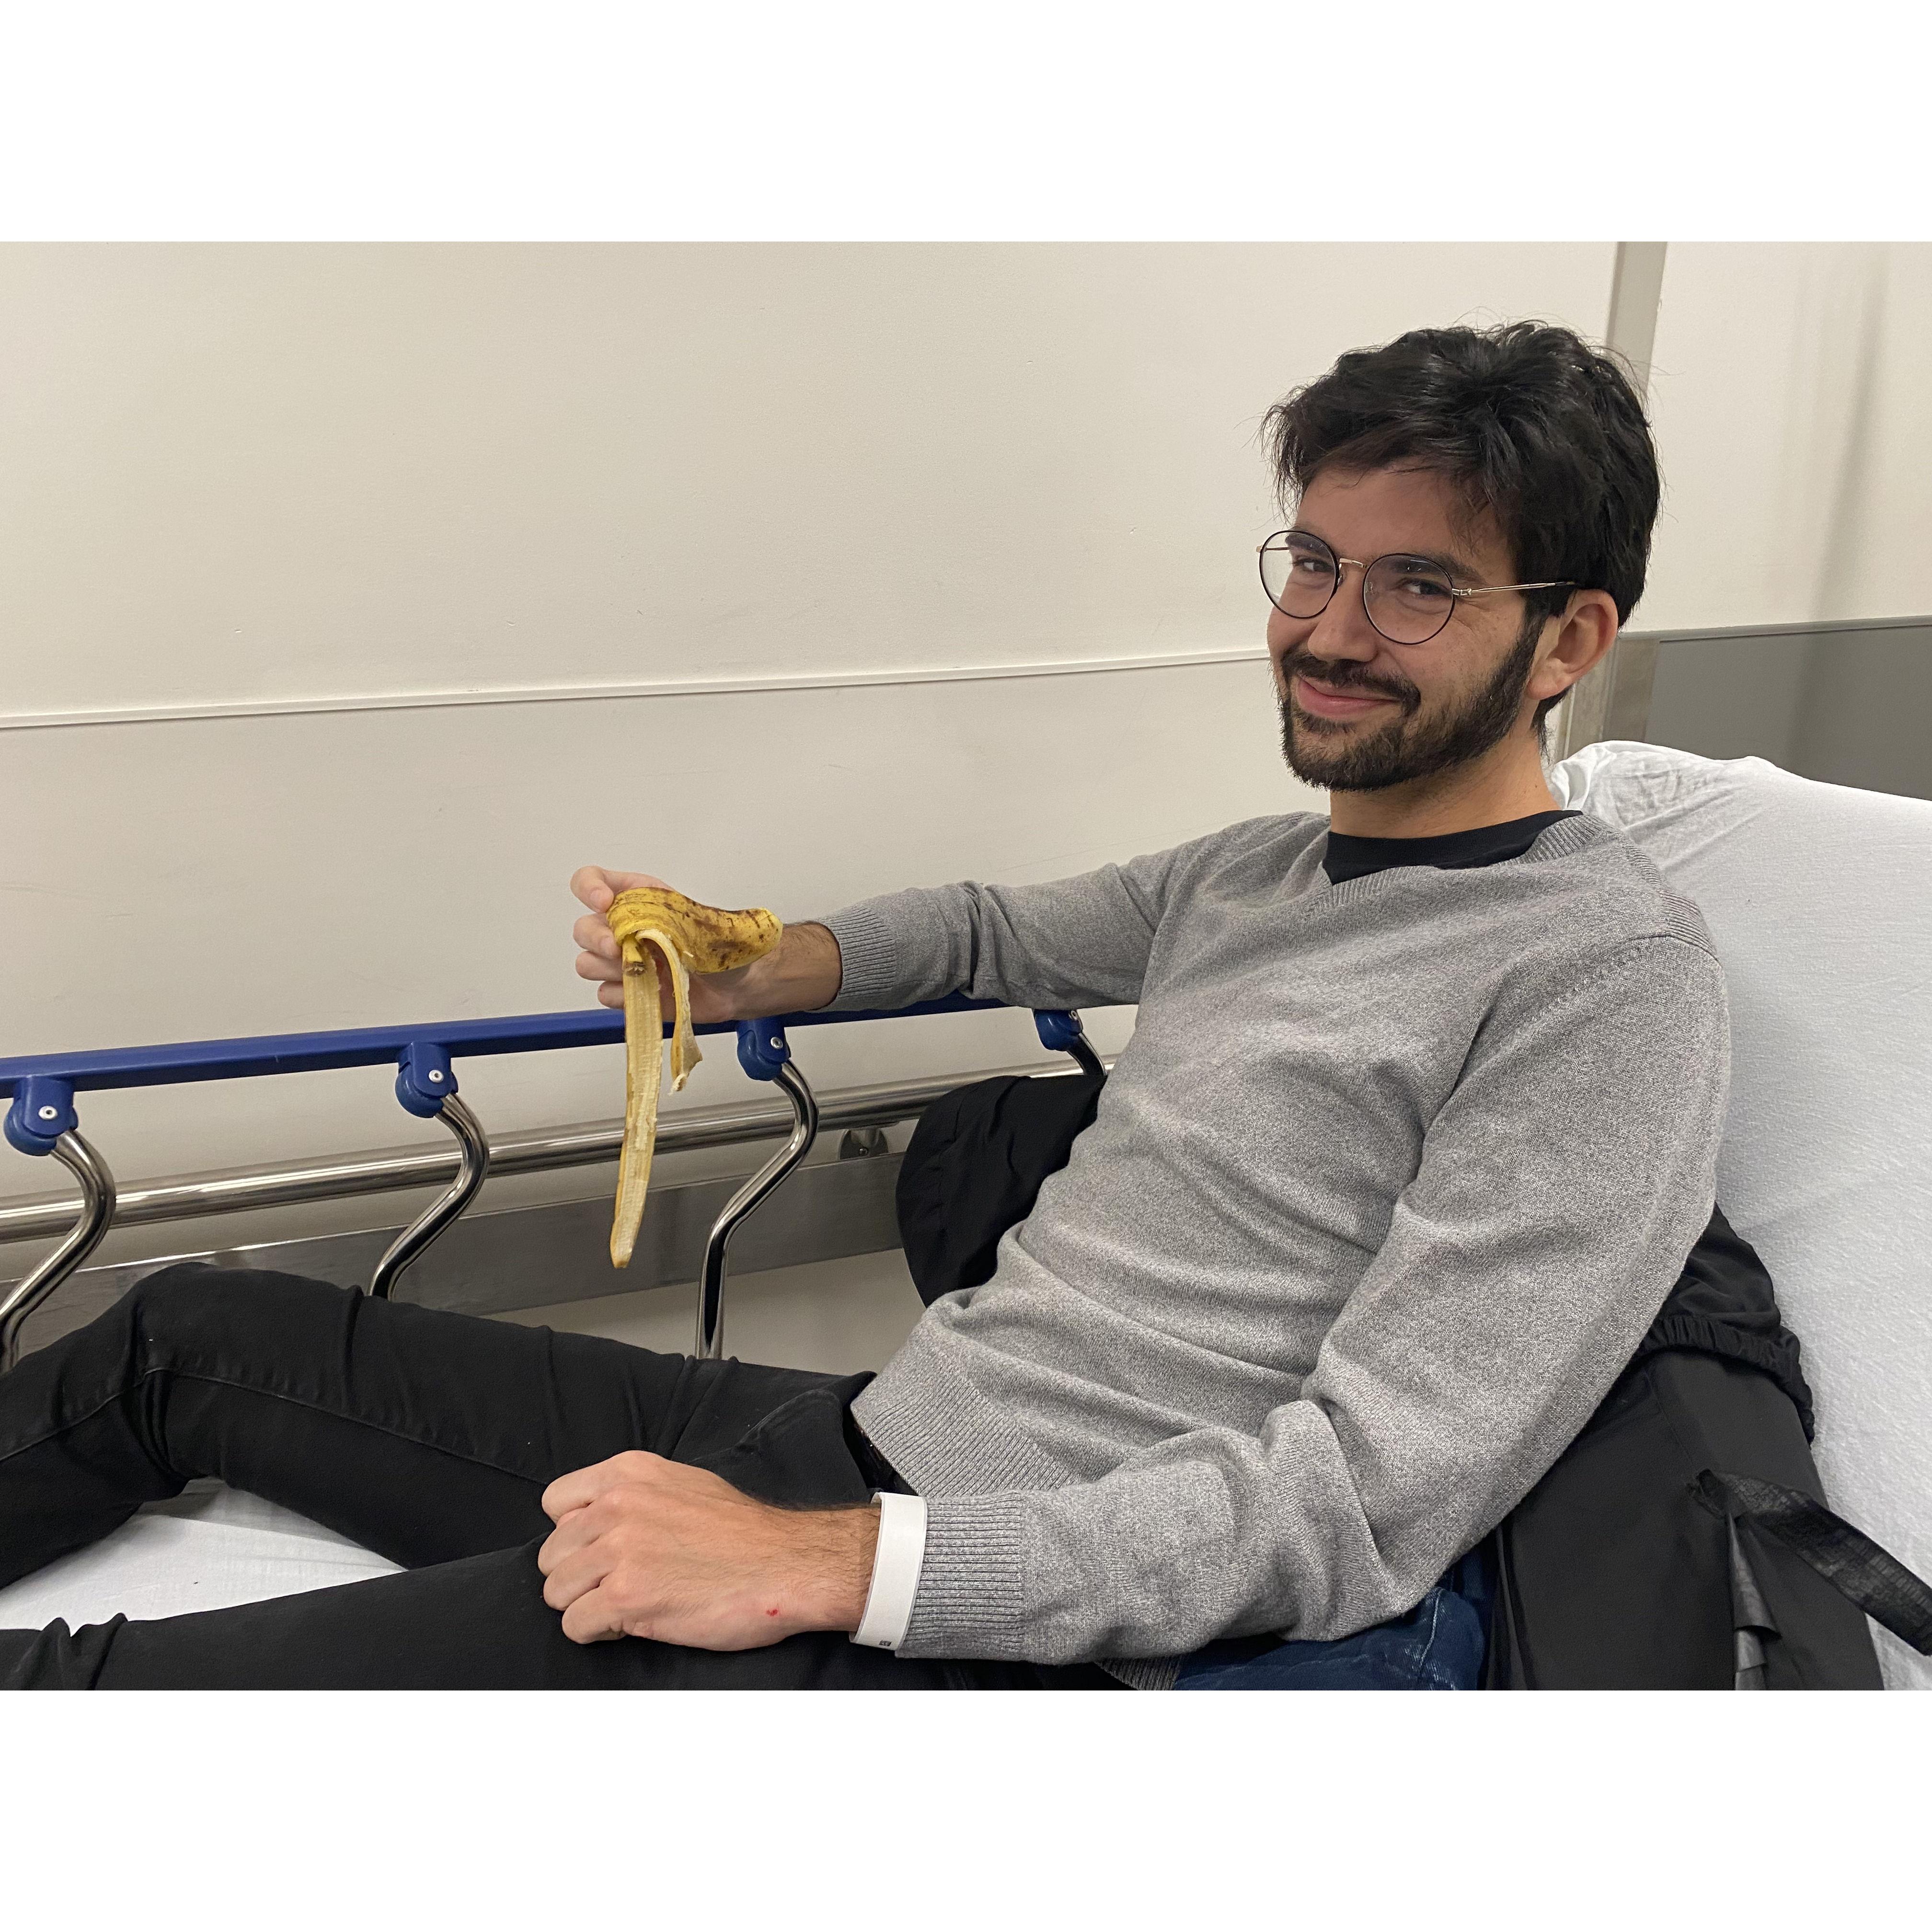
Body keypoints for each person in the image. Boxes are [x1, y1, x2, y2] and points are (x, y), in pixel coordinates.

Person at [0, 320, 1725, 1690]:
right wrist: (759, 957)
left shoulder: (1600, 981)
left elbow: (1356, 1503)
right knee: (191, 1330)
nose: (1330, 631)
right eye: (1315, 563)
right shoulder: (1258, 874)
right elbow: (988, 933)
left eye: (1420, 585)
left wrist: (827, 1565)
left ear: (1569, 641)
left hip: (1005, 1619)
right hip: (872, 1435)